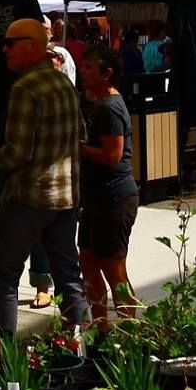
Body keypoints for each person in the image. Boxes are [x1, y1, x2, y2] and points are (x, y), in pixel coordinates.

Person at [0, 19, 90, 339]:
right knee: (68, 274)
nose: (4, 50)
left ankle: (3, 357)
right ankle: (83, 344)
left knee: (4, 276)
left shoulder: (25, 88)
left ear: (32, 45)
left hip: (29, 197)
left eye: (10, 43)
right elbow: (81, 135)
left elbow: (18, 152)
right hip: (65, 195)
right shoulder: (64, 84)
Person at [76, 46, 139, 325]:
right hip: (93, 200)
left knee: (114, 270)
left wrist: (77, 148)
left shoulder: (110, 108)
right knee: (88, 263)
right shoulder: (95, 104)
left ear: (107, 73)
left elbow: (113, 155)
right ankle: (101, 329)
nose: (83, 71)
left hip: (114, 198)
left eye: (89, 67)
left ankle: (129, 333)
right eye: (83, 66)